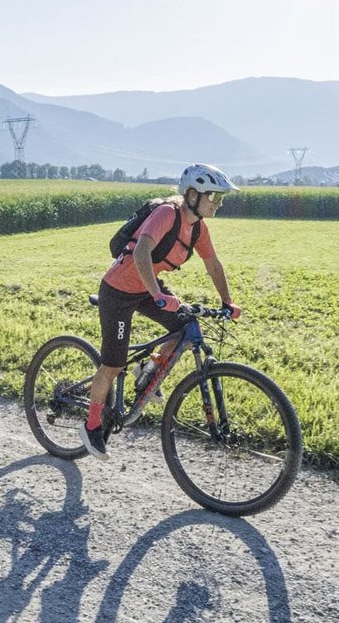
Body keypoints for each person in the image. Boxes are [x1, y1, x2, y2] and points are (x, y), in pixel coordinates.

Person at [81, 163, 243, 459]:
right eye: (215, 197)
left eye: (221, 199)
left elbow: (213, 264)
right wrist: (157, 294)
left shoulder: (198, 229)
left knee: (185, 326)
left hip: (146, 288)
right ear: (193, 195)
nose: (218, 204)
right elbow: (142, 251)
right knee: (113, 363)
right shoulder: (167, 213)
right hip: (118, 292)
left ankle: (149, 370)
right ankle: (91, 426)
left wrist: (227, 302)